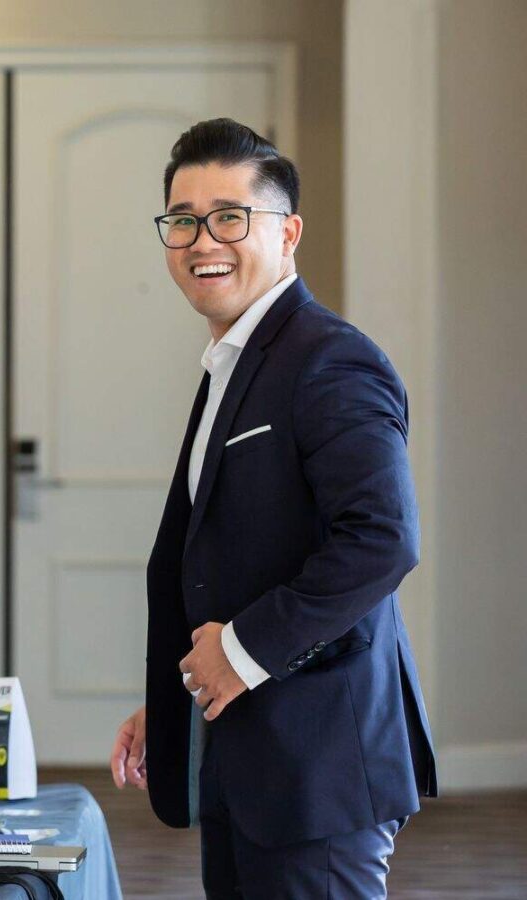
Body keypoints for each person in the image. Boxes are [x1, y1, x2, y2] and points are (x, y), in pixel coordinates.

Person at [108, 120, 436, 898]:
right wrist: (180, 694)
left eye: (228, 216)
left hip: (318, 765)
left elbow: (382, 541)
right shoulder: (235, 359)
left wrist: (242, 651)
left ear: (286, 232)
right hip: (247, 757)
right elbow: (237, 552)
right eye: (182, 219)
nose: (201, 239)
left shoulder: (329, 358)